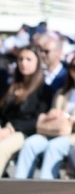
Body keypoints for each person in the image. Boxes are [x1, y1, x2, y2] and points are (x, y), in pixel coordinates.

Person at [14, 53, 75, 179]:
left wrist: (70, 118)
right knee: (30, 143)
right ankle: (19, 185)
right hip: (54, 131)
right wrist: (53, 114)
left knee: (54, 147)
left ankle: (47, 187)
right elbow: (53, 112)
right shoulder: (62, 92)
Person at [0, 45, 52, 176]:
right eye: (21, 59)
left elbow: (37, 120)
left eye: (29, 59)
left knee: (2, 149)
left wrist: (11, 129)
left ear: (38, 62)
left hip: (25, 133)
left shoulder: (44, 90)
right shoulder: (12, 86)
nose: (24, 63)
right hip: (5, 129)